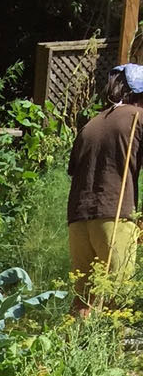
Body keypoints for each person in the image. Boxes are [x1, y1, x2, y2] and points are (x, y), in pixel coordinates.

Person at [67, 64, 143, 317]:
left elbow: (74, 170)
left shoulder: (90, 125)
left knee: (83, 298)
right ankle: (112, 353)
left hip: (78, 218)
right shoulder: (137, 117)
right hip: (115, 215)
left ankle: (74, 351)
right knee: (117, 300)